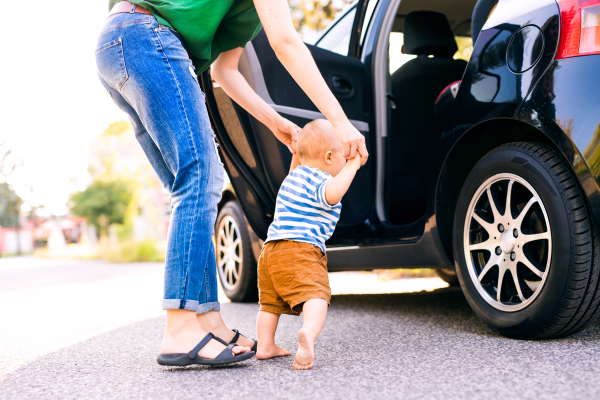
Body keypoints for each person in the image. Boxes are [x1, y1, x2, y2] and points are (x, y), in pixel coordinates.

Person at [95, 0, 368, 366]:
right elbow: (285, 43)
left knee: (189, 187)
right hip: (145, 36)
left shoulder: (248, 14)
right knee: (201, 179)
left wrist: (275, 122)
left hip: (119, 44)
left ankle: (209, 320)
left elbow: (226, 71)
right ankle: (179, 329)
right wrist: (340, 121)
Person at [255, 120, 361, 370]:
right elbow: (333, 193)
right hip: (300, 249)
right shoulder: (320, 181)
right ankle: (308, 334)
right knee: (317, 295)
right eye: (341, 158)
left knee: (269, 304)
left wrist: (296, 151)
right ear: (327, 157)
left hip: (269, 252)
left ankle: (265, 345)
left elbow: (297, 164)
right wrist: (353, 165)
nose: (343, 162)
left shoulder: (293, 179)